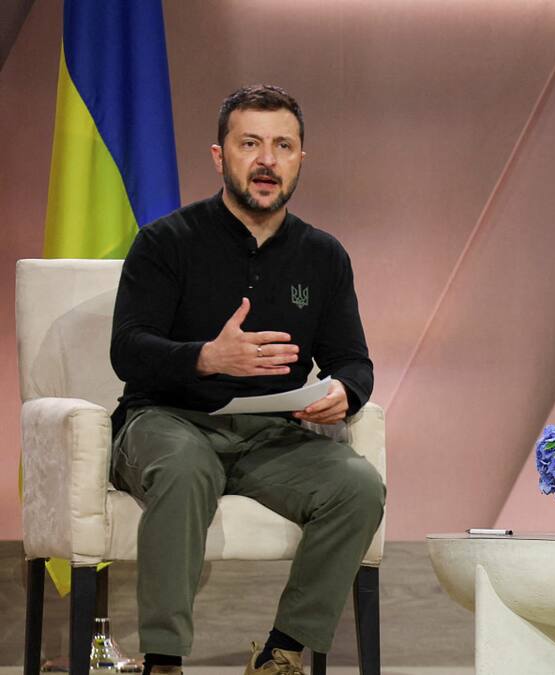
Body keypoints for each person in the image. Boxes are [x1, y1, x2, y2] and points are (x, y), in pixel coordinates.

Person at [109, 84, 385, 675]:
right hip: (168, 422)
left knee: (358, 486)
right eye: (251, 144)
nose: (267, 160)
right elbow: (128, 350)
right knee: (183, 471)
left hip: (272, 436)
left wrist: (342, 393)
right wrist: (207, 358)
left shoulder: (324, 256)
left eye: (283, 146)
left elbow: (353, 359)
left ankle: (282, 652)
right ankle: (163, 660)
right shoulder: (164, 243)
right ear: (220, 157)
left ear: (300, 161)